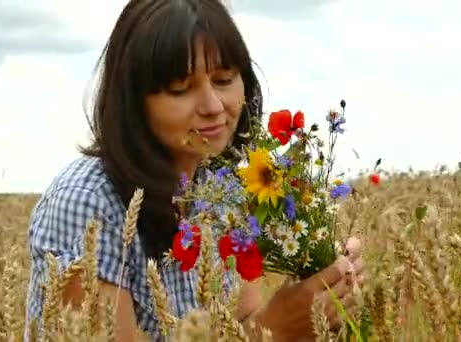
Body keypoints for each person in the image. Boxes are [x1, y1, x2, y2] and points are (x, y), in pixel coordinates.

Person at [24, 0, 365, 341]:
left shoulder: (220, 191)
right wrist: (276, 330)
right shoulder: (89, 201)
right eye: (180, 89)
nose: (214, 107)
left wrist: (315, 295)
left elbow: (242, 326)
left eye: (223, 79)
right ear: (133, 101)